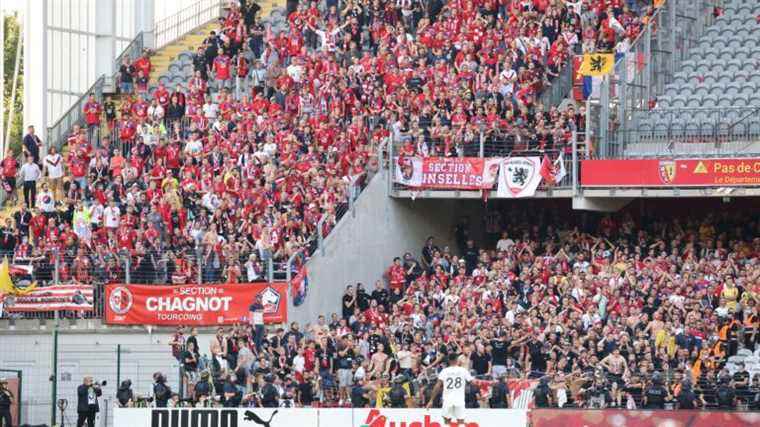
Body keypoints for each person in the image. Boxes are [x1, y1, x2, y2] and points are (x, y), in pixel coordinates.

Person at [426, 353, 474, 426]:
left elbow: (437, 386)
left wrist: (431, 400)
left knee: (447, 421)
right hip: (459, 399)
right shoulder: (463, 370)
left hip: (448, 399)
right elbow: (472, 382)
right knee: (461, 421)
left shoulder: (444, 371)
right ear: (457, 360)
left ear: (449, 360)